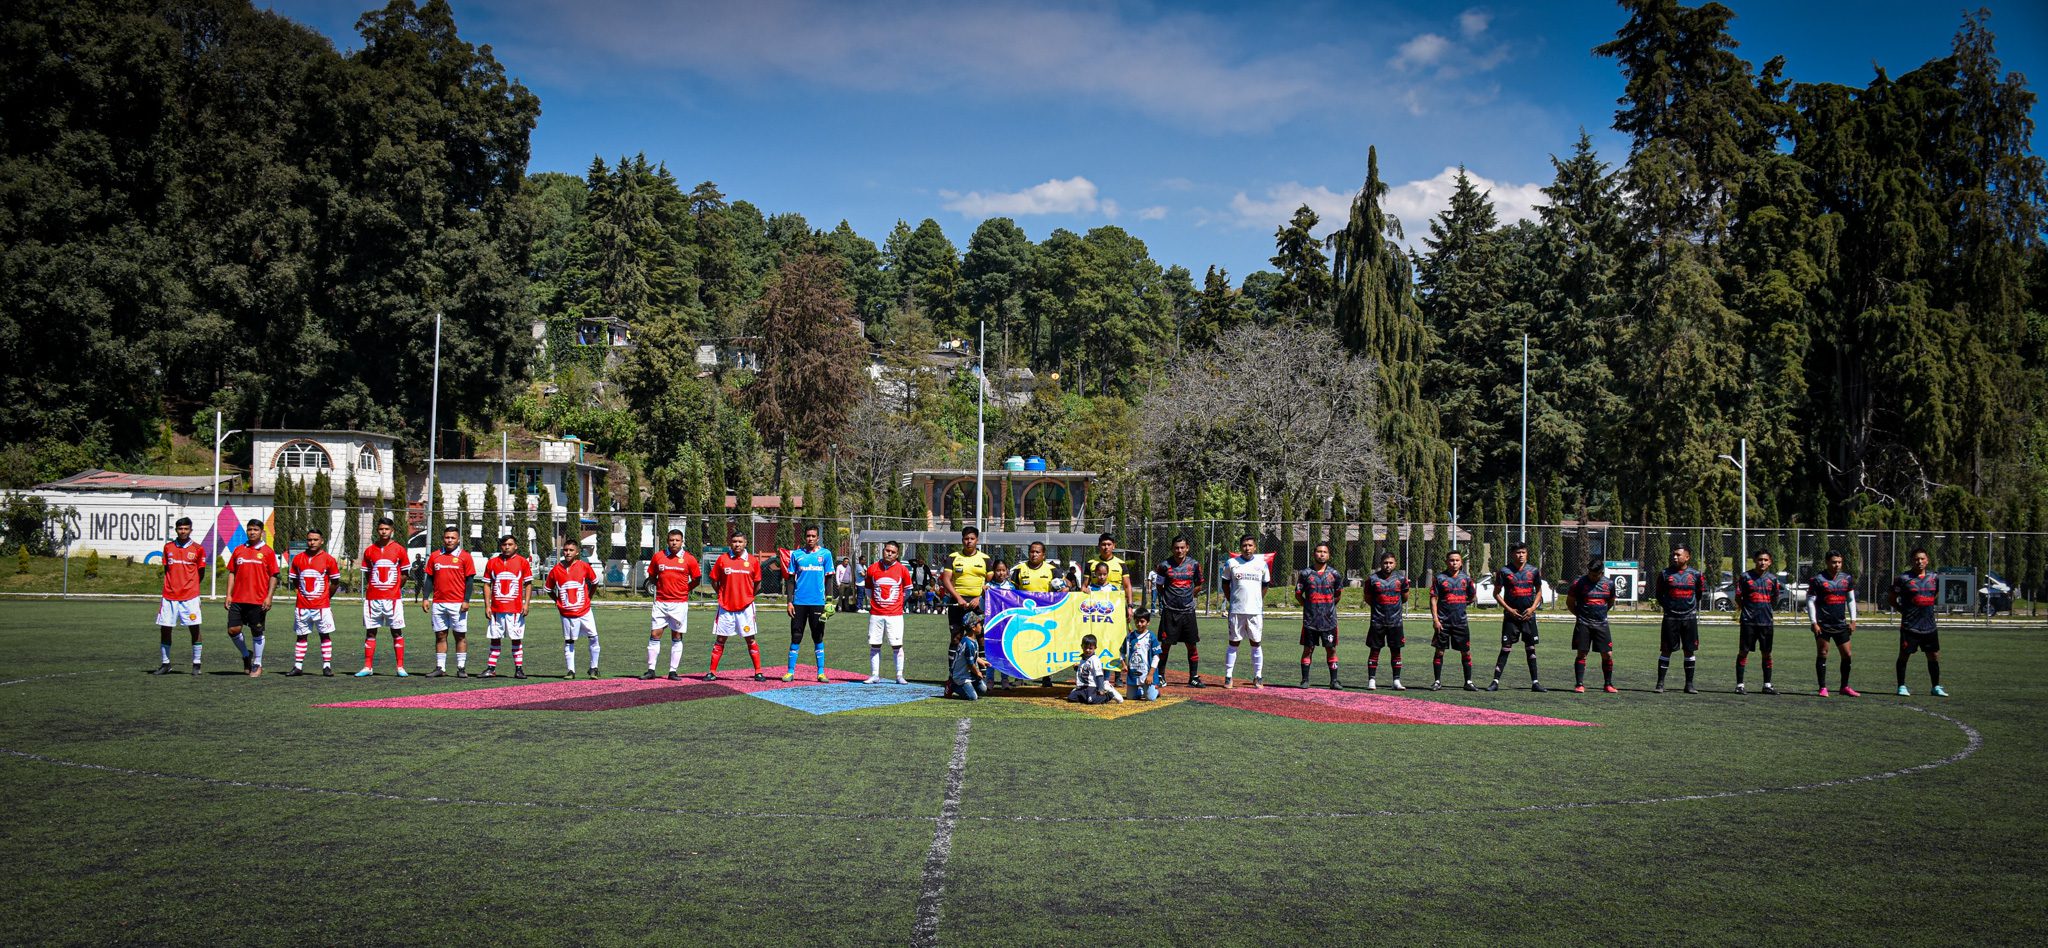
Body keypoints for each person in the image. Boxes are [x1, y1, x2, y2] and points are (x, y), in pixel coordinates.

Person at [704, 529, 766, 681]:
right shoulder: (722, 559)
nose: (737, 544)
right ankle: (712, 672)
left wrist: (749, 596)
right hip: (725, 607)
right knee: (720, 640)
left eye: (740, 542)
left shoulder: (752, 561)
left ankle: (758, 672)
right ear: (730, 543)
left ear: (745, 543)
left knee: (750, 639)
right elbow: (714, 580)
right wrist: (721, 594)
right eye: (734, 541)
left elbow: (758, 583)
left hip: (745, 608)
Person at [151, 516, 208, 675]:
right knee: (165, 629)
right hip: (169, 596)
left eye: (186, 529)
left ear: (190, 530)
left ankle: (196, 664)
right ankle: (165, 663)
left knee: (194, 628)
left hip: (190, 596)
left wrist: (192, 587)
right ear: (176, 530)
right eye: (180, 529)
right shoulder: (168, 547)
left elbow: (201, 572)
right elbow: (166, 570)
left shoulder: (198, 549)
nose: (183, 531)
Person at [642, 529, 701, 680]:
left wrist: (685, 590)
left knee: (676, 635)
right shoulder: (659, 556)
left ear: (682, 542)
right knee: (655, 634)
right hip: (661, 602)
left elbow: (696, 579)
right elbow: (651, 576)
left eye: (677, 540)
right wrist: (660, 587)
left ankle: (673, 671)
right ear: (667, 541)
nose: (674, 542)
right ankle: (651, 670)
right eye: (671, 540)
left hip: (679, 604)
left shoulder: (689, 559)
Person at [1487, 542, 1546, 692]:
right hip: (1511, 617)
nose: (1521, 555)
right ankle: (1495, 682)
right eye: (1518, 553)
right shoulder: (1504, 571)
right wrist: (1509, 609)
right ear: (1512, 554)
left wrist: (1532, 608)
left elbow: (1539, 592)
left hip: (1528, 616)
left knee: (1531, 649)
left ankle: (1535, 682)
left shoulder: (1533, 571)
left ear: (1527, 554)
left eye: (1523, 552)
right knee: (1506, 648)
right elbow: (1496, 594)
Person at [355, 516, 410, 677]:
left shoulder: (399, 549)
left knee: (396, 631)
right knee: (371, 632)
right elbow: (368, 574)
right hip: (373, 599)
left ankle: (400, 667)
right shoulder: (370, 550)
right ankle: (367, 667)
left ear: (392, 531)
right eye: (381, 529)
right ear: (377, 530)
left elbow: (405, 574)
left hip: (393, 599)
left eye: (386, 529)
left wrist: (395, 588)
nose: (383, 532)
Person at [779, 526, 835, 682]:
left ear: (818, 538)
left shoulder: (825, 554)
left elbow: (829, 578)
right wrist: (789, 602)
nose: (810, 538)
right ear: (805, 537)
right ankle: (790, 672)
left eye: (813, 536)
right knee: (796, 636)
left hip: (818, 603)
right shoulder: (796, 555)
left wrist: (829, 601)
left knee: (818, 636)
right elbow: (790, 580)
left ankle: (821, 672)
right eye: (808, 535)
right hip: (799, 603)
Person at [223, 518, 278, 676]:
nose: (252, 532)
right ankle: (247, 655)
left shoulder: (267, 552)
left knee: (257, 632)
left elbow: (274, 575)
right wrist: (228, 595)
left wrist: (269, 597)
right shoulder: (239, 550)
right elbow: (232, 572)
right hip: (238, 599)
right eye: (250, 529)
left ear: (262, 532)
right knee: (233, 630)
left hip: (258, 600)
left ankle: (257, 664)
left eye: (255, 529)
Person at [419, 526, 476, 677]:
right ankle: (440, 668)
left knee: (460, 636)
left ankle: (461, 668)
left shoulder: (465, 557)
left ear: (458, 540)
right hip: (438, 603)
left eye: (453, 538)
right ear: (443, 538)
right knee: (440, 635)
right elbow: (429, 579)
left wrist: (466, 600)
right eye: (447, 537)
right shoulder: (435, 556)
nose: (449, 540)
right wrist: (425, 598)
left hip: (458, 603)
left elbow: (470, 581)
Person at [1893, 547, 1949, 697]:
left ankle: (1936, 687)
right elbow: (1892, 599)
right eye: (1916, 559)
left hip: (1929, 625)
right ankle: (1901, 686)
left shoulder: (1934, 577)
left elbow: (1935, 593)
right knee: (1904, 655)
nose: (1919, 561)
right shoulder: (1903, 579)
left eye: (1922, 559)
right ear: (1912, 561)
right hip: (1910, 626)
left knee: (1934, 655)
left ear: (1927, 560)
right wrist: (1903, 610)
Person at [284, 527, 340, 677]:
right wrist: (301, 594)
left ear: (322, 541)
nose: (312, 542)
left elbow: (335, 582)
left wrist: (326, 598)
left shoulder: (329, 559)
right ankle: (297, 666)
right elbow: (295, 580)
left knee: (324, 635)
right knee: (301, 635)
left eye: (315, 540)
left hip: (321, 606)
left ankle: (327, 666)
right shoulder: (298, 559)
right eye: (309, 539)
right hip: (302, 606)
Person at [1151, 535, 1204, 688]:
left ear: (1187, 548)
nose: (1179, 550)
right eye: (1176, 548)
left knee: (1191, 645)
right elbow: (1159, 586)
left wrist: (1189, 595)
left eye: (1182, 547)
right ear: (1172, 549)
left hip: (1188, 611)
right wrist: (1169, 598)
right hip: (1170, 612)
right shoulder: (1164, 566)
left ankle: (1193, 677)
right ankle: (1160, 676)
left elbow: (1200, 584)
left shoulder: (1194, 564)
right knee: (1165, 645)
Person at [1653, 544, 1706, 694]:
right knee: (1666, 650)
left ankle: (1689, 684)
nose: (1675, 557)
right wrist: (1669, 608)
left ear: (1687, 557)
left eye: (1678, 555)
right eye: (1674, 554)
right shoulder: (1664, 574)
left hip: (1689, 617)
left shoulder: (1696, 575)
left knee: (1689, 651)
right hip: (1671, 618)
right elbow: (1659, 595)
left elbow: (1699, 594)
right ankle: (1660, 683)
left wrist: (1689, 607)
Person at [1222, 534, 1272, 689]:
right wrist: (1233, 601)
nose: (1247, 548)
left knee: (1256, 643)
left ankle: (1258, 677)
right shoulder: (1231, 563)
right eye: (1244, 545)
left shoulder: (1262, 564)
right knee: (1233, 643)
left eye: (1250, 545)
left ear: (1255, 547)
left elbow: (1265, 586)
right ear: (1240, 547)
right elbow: (1225, 584)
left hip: (1255, 611)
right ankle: (1228, 677)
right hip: (1237, 610)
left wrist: (1257, 601)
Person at [547, 538, 601, 678]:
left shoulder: (584, 566)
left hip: (584, 611)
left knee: (594, 637)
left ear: (577, 552)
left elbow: (594, 582)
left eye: (571, 550)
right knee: (569, 641)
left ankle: (594, 668)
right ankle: (571, 670)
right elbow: (548, 589)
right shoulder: (556, 569)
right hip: (566, 613)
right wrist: (557, 600)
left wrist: (589, 597)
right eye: (565, 550)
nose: (568, 553)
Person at [1807, 550, 1858, 697]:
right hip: (1823, 624)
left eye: (1839, 562)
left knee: (1847, 654)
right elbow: (1810, 601)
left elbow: (1850, 599)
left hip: (1841, 624)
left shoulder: (1846, 578)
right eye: (1834, 562)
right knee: (1823, 653)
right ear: (1827, 562)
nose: (1837, 565)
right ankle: (1822, 687)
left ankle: (1845, 687)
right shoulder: (1817, 579)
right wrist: (1813, 622)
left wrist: (1853, 620)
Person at [482, 534, 533, 678]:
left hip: (515, 609)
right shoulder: (492, 562)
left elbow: (528, 584)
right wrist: (487, 605)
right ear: (501, 546)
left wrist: (526, 603)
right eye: (504, 544)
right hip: (497, 609)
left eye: (510, 544)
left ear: (516, 546)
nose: (507, 547)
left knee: (516, 639)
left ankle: (519, 669)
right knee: (495, 638)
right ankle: (491, 669)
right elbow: (486, 584)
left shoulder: (522, 562)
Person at [1732, 550, 1783, 695]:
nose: (1762, 562)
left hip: (1766, 622)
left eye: (1766, 560)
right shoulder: (1745, 577)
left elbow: (1775, 599)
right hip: (1749, 621)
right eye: (1760, 559)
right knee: (1743, 652)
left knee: (1767, 653)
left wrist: (1765, 609)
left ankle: (1767, 685)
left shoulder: (1772, 579)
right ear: (1755, 560)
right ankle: (1740, 685)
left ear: (1770, 562)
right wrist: (1747, 609)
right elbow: (1738, 597)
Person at [1295, 541, 1344, 689]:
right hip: (1310, 620)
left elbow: (1338, 595)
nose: (1322, 554)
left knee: (1331, 649)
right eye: (1319, 551)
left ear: (1328, 555)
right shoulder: (1305, 574)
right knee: (1308, 649)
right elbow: (1298, 595)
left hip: (1329, 620)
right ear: (1314, 554)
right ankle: (1305, 680)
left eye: (1325, 552)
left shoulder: (1335, 574)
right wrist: (1309, 606)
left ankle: (1334, 681)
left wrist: (1327, 606)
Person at [1567, 558, 1619, 693]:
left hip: (1601, 624)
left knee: (1607, 654)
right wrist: (1579, 615)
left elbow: (1611, 601)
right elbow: (1570, 602)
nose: (1592, 577)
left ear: (1601, 573)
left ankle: (1608, 684)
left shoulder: (1609, 584)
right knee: (1582, 653)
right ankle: (1579, 684)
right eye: (1590, 574)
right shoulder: (1579, 583)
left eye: (1595, 575)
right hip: (1583, 623)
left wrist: (1600, 614)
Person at [865, 541, 912, 684]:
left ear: (897, 554)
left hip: (895, 614)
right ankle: (874, 675)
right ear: (883, 551)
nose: (889, 553)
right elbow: (868, 590)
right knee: (875, 644)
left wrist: (898, 603)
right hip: (876, 613)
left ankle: (899, 675)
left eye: (893, 552)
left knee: (897, 645)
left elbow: (908, 590)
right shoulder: (872, 569)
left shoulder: (902, 570)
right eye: (887, 550)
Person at [1430, 550, 1477, 691]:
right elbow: (1433, 599)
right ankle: (1437, 681)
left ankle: (1468, 682)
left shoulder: (1466, 579)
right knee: (1439, 651)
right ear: (1446, 562)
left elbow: (1472, 597)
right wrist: (1435, 619)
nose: (1454, 563)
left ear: (1461, 562)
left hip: (1460, 622)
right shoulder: (1439, 578)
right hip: (1443, 622)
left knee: (1466, 652)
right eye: (1451, 560)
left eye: (1457, 560)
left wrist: (1460, 604)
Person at [1364, 551, 1411, 690]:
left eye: (1391, 563)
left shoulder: (1401, 579)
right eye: (1385, 563)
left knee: (1396, 650)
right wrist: (1379, 607)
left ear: (1395, 564)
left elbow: (1405, 597)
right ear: (1381, 564)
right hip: (1377, 621)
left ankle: (1396, 681)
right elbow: (1368, 598)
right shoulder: (1372, 579)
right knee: (1375, 650)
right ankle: (1371, 680)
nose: (1388, 565)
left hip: (1395, 621)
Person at [941, 526, 990, 642]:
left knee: (981, 637)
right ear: (962, 540)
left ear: (977, 540)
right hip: (958, 602)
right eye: (966, 538)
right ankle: (954, 661)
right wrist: (958, 598)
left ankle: (979, 660)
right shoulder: (953, 557)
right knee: (956, 638)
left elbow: (991, 582)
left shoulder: (985, 558)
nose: (969, 541)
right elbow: (946, 580)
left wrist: (979, 598)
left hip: (978, 603)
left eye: (972, 538)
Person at [1085, 533, 1135, 615]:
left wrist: (1130, 606)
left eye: (1109, 544)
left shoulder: (1121, 564)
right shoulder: (1090, 563)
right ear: (1099, 546)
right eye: (1103, 544)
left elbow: (1127, 586)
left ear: (1114, 546)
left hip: (1116, 605)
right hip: (1096, 607)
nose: (1106, 547)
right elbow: (1084, 586)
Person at [945, 609, 990, 700]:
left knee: (983, 690)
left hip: (969, 674)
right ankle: (952, 685)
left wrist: (982, 662)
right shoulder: (969, 644)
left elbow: (973, 656)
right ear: (973, 628)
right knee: (972, 697)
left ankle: (968, 686)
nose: (981, 626)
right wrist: (977, 672)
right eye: (979, 624)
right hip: (962, 676)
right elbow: (970, 664)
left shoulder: (972, 639)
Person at [1067, 633, 1123, 704]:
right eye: (1085, 647)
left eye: (1090, 648)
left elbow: (1099, 675)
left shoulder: (1094, 659)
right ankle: (1084, 696)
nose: (1087, 650)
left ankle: (1109, 695)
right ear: (1081, 646)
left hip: (1091, 686)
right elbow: (1084, 672)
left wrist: (1101, 689)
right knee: (1071, 698)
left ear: (1095, 648)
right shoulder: (1082, 659)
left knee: (1091, 700)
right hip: (1082, 686)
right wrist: (1076, 668)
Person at [1122, 607, 1162, 700]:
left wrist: (1151, 674)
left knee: (1151, 698)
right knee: (1130, 697)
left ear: (1148, 622)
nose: (1139, 624)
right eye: (1137, 621)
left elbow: (1156, 657)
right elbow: (1122, 652)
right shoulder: (1129, 637)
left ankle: (1155, 691)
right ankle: (1140, 690)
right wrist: (1123, 664)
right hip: (1133, 673)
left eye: (1142, 621)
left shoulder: (1151, 637)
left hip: (1147, 673)